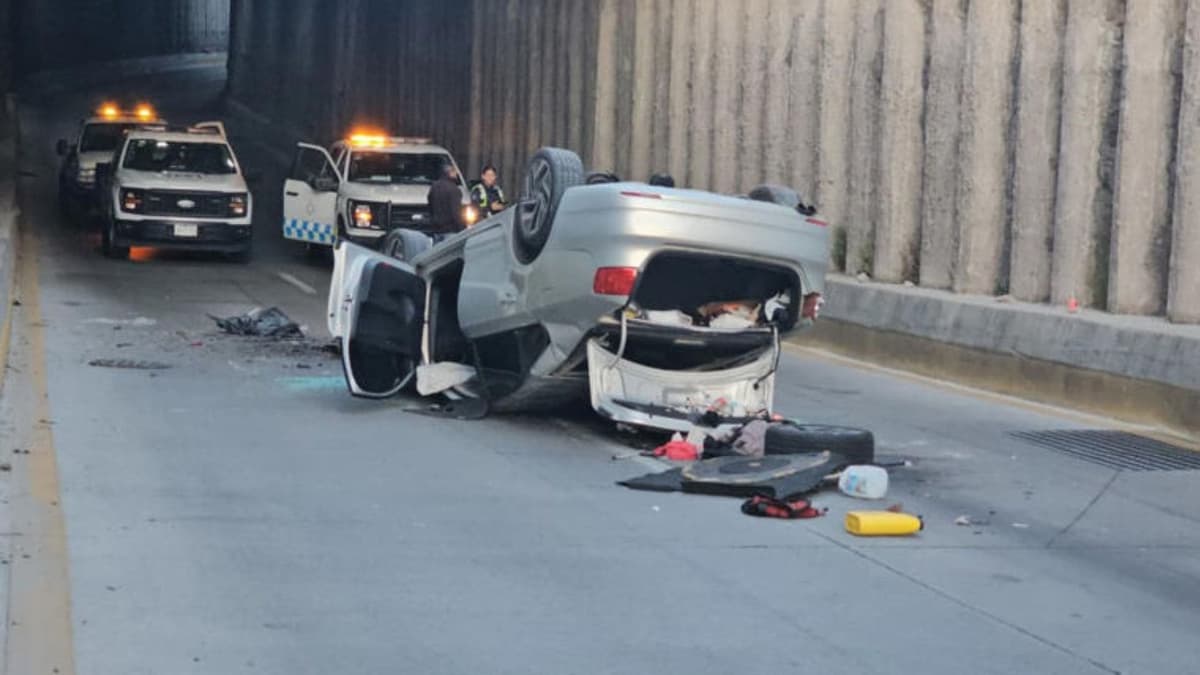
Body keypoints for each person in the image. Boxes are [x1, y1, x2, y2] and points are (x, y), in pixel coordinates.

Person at [428, 161, 467, 237]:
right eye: (455, 172)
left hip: (437, 230)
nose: (456, 174)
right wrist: (463, 229)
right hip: (450, 230)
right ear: (450, 173)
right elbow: (456, 212)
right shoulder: (454, 189)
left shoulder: (434, 187)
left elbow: (430, 206)